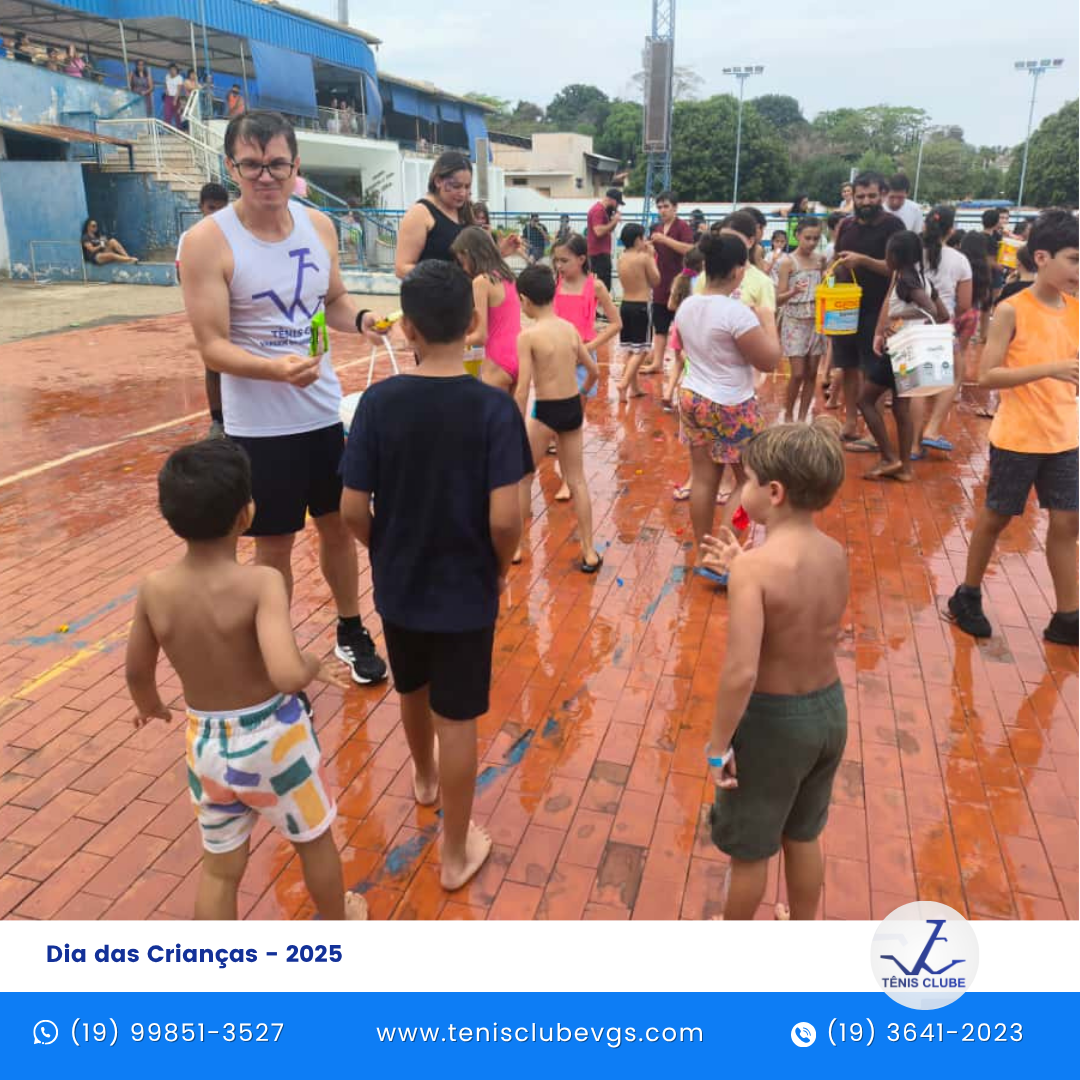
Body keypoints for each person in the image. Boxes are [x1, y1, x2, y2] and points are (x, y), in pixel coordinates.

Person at [341, 261, 533, 890]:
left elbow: (352, 509)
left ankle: (423, 777)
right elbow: (506, 517)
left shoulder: (378, 403)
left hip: (400, 583)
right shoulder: (493, 409)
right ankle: (454, 853)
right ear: (473, 322)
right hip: (465, 587)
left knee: (412, 688)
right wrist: (497, 569)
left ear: (409, 330)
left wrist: (386, 548)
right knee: (458, 718)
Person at [179, 109, 388, 686]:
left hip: (321, 411)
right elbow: (211, 345)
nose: (265, 177)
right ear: (232, 167)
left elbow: (333, 301)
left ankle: (351, 628)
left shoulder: (319, 227)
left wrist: (363, 320)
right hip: (259, 426)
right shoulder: (206, 242)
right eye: (252, 166)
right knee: (273, 545)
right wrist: (273, 371)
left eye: (276, 164)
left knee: (338, 526)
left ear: (296, 166)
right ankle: (279, 652)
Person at [125, 439, 366, 921]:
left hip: (207, 745)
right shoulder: (260, 583)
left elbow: (137, 669)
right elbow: (286, 673)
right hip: (275, 739)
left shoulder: (155, 590)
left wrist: (150, 704)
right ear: (246, 514)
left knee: (220, 869)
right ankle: (337, 927)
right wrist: (313, 664)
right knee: (313, 840)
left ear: (170, 517)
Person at [700, 417, 849, 921]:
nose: (743, 488)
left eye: (748, 479)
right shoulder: (834, 553)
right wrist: (742, 569)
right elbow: (798, 608)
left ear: (775, 492)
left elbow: (741, 671)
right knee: (803, 834)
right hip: (828, 713)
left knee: (751, 851)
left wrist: (718, 746)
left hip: (773, 727)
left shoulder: (755, 569)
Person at [947, 210, 1079, 645]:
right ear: (1042, 258)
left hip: (1064, 434)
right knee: (997, 516)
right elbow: (987, 375)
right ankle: (967, 594)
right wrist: (1050, 369)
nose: (1078, 270)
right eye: (1073, 259)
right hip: (1019, 436)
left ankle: (1067, 615)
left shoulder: (1076, 310)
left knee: (1068, 522)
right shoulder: (1011, 310)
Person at [673, 233, 780, 561]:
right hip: (732, 403)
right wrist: (768, 321)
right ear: (738, 271)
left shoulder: (688, 305)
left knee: (704, 478)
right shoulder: (736, 313)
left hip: (694, 396)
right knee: (750, 480)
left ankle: (704, 550)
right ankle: (722, 553)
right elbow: (769, 360)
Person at [516, 264, 602, 572]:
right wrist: (582, 393)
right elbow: (593, 371)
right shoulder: (569, 329)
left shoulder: (528, 336)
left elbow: (523, 387)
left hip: (546, 410)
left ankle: (517, 545)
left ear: (525, 300)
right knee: (577, 479)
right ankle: (589, 550)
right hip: (571, 407)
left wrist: (515, 424)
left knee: (524, 477)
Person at [863, 230, 949, 482]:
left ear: (894, 256)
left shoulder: (905, 281)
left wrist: (898, 317)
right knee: (901, 408)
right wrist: (909, 320)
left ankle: (889, 457)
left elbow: (931, 310)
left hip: (900, 351)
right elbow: (943, 315)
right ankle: (905, 469)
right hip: (913, 351)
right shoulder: (923, 279)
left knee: (865, 401)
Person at [829, 172, 905, 442]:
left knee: (873, 371)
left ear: (882, 194)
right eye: (860, 196)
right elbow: (837, 260)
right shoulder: (846, 225)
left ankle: (875, 431)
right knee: (847, 366)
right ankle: (850, 422)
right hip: (845, 307)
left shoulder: (893, 226)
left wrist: (863, 261)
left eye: (871, 196)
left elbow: (897, 269)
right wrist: (833, 271)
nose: (866, 201)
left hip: (877, 307)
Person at [395, 151, 520, 278]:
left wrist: (499, 253)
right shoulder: (420, 213)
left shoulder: (466, 211)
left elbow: (472, 264)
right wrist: (447, 278)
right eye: (456, 186)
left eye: (467, 187)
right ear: (438, 181)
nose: (463, 193)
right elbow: (402, 268)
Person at [911, 205, 973, 455]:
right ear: (951, 230)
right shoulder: (959, 260)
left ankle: (913, 445)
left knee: (916, 386)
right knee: (956, 374)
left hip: (910, 324)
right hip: (940, 326)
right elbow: (965, 304)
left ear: (925, 225)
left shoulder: (912, 255)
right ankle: (932, 429)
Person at [176, 183, 230, 436]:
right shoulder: (191, 238)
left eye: (221, 209)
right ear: (201, 207)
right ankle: (218, 420)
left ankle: (240, 416)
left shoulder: (234, 236)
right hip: (209, 310)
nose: (215, 214)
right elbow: (183, 275)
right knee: (213, 365)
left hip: (236, 310)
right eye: (211, 208)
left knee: (241, 364)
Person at [451, 225, 525, 407]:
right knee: (513, 420)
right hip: (519, 355)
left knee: (490, 422)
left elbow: (481, 335)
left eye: (463, 262)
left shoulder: (481, 282)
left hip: (496, 359)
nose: (464, 268)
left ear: (469, 254)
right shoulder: (509, 276)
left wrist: (451, 342)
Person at [776, 217, 827, 423]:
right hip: (794, 321)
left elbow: (825, 285)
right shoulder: (787, 262)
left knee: (812, 372)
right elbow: (777, 298)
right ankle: (788, 414)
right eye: (808, 238)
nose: (812, 242)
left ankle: (803, 417)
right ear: (797, 236)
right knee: (797, 373)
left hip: (816, 320)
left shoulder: (820, 260)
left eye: (816, 238)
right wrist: (793, 291)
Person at [639, 191, 695, 379]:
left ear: (675, 207)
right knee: (660, 325)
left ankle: (688, 363)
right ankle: (657, 362)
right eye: (660, 207)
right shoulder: (656, 227)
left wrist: (665, 240)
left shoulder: (683, 227)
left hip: (680, 284)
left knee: (684, 327)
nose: (662, 210)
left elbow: (689, 249)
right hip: (660, 282)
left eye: (666, 206)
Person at [614, 223, 659, 401]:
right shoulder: (644, 258)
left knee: (631, 349)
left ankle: (634, 387)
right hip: (641, 305)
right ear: (638, 239)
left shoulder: (621, 257)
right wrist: (651, 256)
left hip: (625, 305)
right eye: (643, 237)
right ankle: (624, 383)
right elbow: (656, 280)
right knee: (641, 350)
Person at [585, 187, 624, 290]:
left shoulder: (603, 211)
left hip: (600, 254)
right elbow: (598, 232)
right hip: (598, 255)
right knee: (602, 287)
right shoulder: (598, 210)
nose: (617, 207)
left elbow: (608, 230)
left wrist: (613, 221)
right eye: (617, 203)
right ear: (612, 200)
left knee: (604, 285)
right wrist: (614, 221)